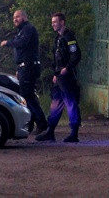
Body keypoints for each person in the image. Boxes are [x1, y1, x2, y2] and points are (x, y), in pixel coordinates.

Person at [36, 12, 82, 143]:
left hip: (67, 76)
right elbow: (56, 59)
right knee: (55, 104)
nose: (53, 25)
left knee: (71, 103)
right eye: (52, 23)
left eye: (55, 22)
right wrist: (56, 74)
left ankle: (74, 133)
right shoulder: (57, 38)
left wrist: (66, 69)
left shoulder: (69, 37)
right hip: (59, 77)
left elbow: (76, 55)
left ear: (62, 22)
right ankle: (50, 132)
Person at [0, 9, 48, 134]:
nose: (15, 19)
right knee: (27, 96)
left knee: (27, 96)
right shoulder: (21, 31)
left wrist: (8, 43)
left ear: (24, 17)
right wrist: (18, 68)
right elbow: (22, 52)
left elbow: (22, 43)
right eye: (13, 18)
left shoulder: (28, 29)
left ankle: (41, 123)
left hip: (29, 67)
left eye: (17, 17)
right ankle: (30, 123)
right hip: (23, 67)